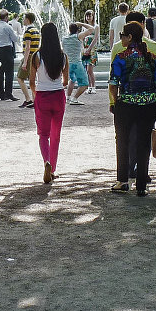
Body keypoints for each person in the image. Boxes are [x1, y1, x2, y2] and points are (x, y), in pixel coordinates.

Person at [109, 21, 156, 196]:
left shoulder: (120, 57)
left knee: (123, 142)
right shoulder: (152, 58)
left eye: (122, 36)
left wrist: (114, 101)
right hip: (148, 105)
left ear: (129, 37)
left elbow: (113, 83)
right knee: (143, 143)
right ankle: (141, 184)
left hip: (125, 105)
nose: (121, 39)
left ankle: (123, 180)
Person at [30, 22, 69, 184]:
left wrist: (35, 94)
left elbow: (31, 81)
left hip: (42, 96)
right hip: (58, 96)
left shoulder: (37, 56)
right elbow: (66, 81)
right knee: (55, 135)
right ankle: (53, 168)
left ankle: (46, 161)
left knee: (43, 134)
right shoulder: (63, 56)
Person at [63, 20, 97, 105]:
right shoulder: (78, 36)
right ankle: (74, 99)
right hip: (76, 63)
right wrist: (81, 23)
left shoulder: (64, 38)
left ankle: (68, 97)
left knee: (72, 79)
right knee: (85, 84)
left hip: (67, 64)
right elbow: (92, 29)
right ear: (78, 30)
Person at [0, 9, 20, 101]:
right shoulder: (8, 27)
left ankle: (1, 93)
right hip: (7, 49)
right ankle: (9, 93)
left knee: (0, 72)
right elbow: (15, 39)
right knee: (9, 73)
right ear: (7, 17)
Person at [18, 12, 41, 108]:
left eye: (24, 18)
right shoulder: (36, 30)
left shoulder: (28, 31)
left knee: (20, 78)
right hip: (36, 56)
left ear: (27, 19)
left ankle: (28, 99)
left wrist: (25, 62)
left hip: (29, 56)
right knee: (32, 79)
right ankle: (35, 100)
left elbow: (27, 47)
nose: (23, 20)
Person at [81, 9, 98, 94]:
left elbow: (95, 39)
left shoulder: (96, 26)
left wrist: (89, 49)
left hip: (92, 50)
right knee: (85, 69)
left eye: (90, 16)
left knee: (90, 70)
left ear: (93, 16)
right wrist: (83, 48)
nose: (88, 17)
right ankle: (89, 87)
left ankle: (93, 86)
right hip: (85, 49)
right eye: (87, 16)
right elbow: (82, 38)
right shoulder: (84, 27)